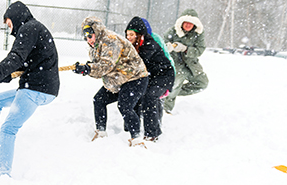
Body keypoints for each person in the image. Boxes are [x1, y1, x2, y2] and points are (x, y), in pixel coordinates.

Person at [0, 1, 59, 177]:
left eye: (10, 24)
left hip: (36, 89)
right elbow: (27, 62)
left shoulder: (29, 28)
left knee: (8, 129)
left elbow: (15, 58)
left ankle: (3, 173)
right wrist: (5, 76)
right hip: (37, 88)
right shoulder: (34, 29)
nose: (10, 30)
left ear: (17, 18)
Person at [74, 16, 149, 147]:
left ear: (96, 31)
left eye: (90, 35)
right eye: (86, 37)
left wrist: (88, 69)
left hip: (135, 78)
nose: (88, 40)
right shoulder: (96, 45)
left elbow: (106, 66)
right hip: (118, 79)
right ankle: (101, 133)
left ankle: (137, 140)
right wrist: (86, 68)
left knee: (124, 106)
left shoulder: (110, 40)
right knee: (99, 100)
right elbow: (100, 67)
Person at [125, 16, 175, 142]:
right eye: (127, 34)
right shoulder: (133, 45)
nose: (128, 37)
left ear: (139, 35)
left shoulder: (149, 44)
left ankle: (152, 134)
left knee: (149, 96)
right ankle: (131, 126)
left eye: (131, 34)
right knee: (134, 92)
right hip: (150, 76)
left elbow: (137, 64)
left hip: (164, 76)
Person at [163, 9, 208, 113]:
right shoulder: (171, 32)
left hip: (192, 65)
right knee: (175, 83)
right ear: (181, 22)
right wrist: (168, 48)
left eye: (191, 23)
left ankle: (169, 93)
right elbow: (162, 46)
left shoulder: (198, 34)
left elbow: (200, 49)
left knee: (202, 83)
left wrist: (185, 49)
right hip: (176, 64)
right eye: (186, 22)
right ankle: (166, 108)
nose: (188, 25)